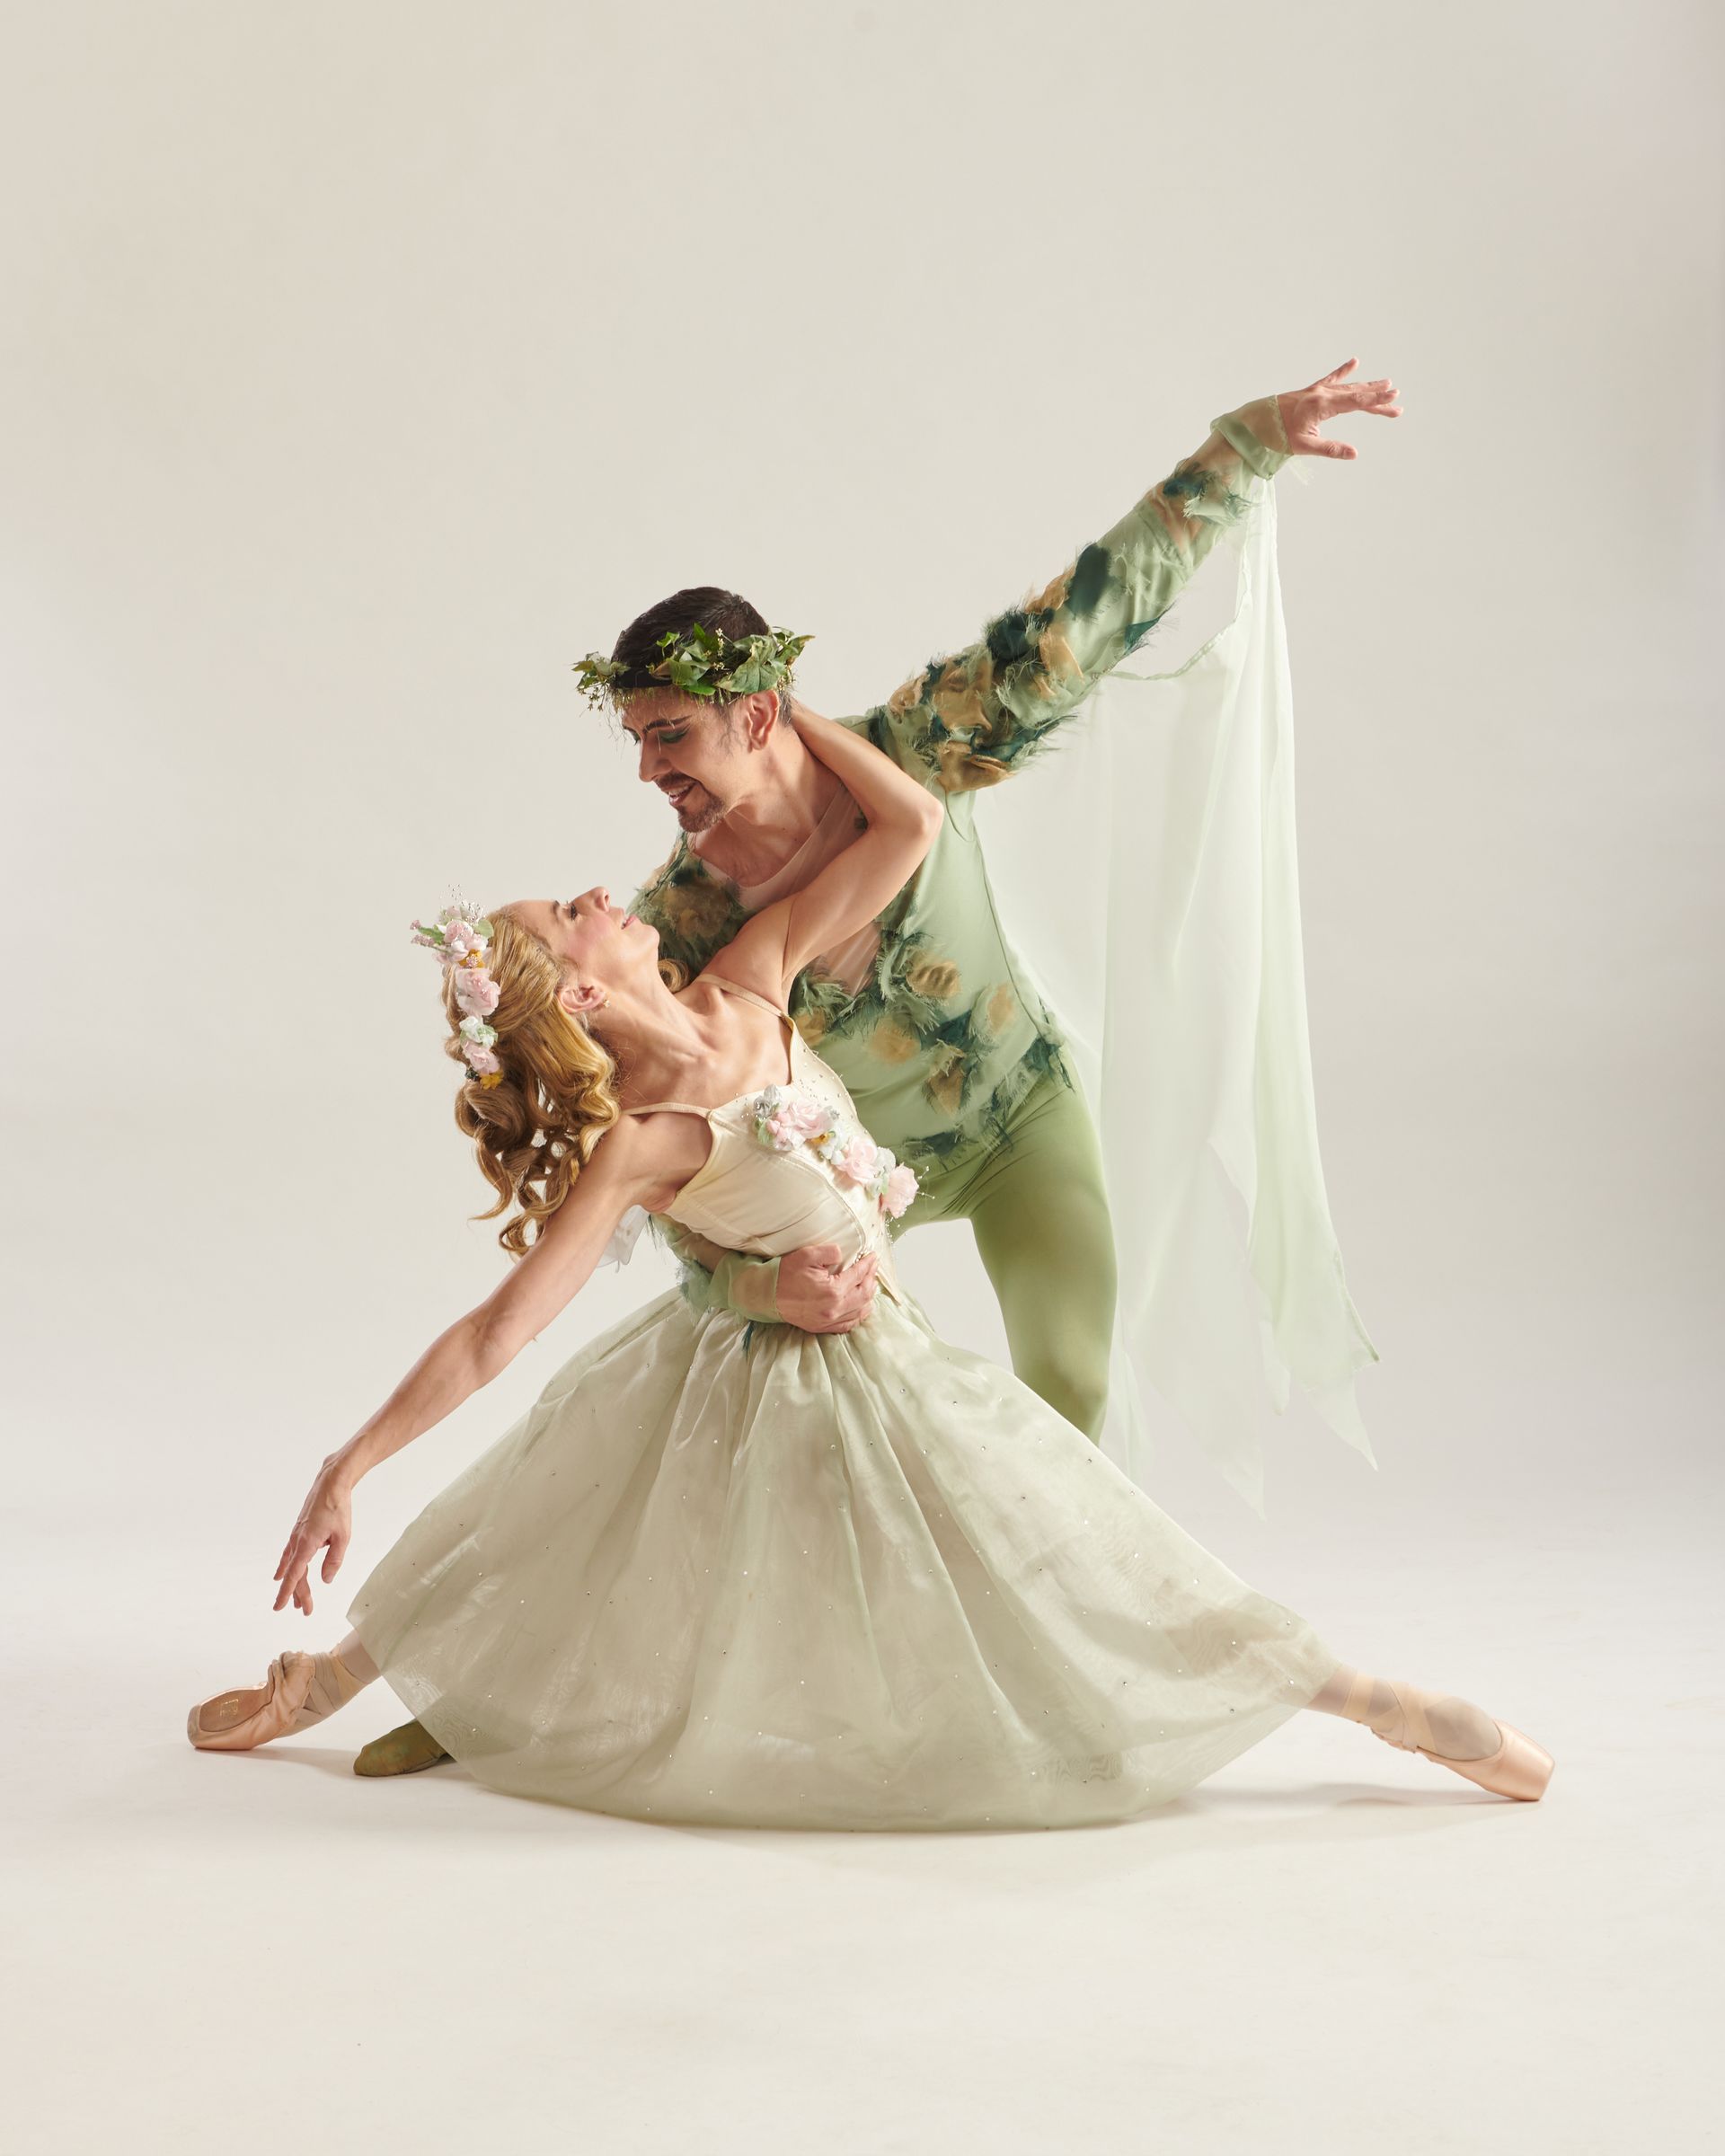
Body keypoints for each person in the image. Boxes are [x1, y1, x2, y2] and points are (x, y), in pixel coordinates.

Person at [187, 705, 1552, 1824]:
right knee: (553, 1526)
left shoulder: (750, 980)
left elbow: (914, 825)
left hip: (869, 1350)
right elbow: (495, 1336)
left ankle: (1366, 1701)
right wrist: (348, 1465)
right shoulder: (649, 1144)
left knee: (611, 1531)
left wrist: (774, 705)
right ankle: (1378, 1706)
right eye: (572, 912)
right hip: (813, 1383)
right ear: (586, 996)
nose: (606, 890)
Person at [601, 359, 1395, 1463]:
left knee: (1072, 1382)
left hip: (1021, 1120)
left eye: (670, 734)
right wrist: (753, 1283)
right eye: (634, 739)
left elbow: (1081, 625)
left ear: (759, 713)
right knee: (805, 1446)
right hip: (854, 1187)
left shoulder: (913, 754)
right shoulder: (678, 925)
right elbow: (668, 1161)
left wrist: (1249, 442)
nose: (645, 770)